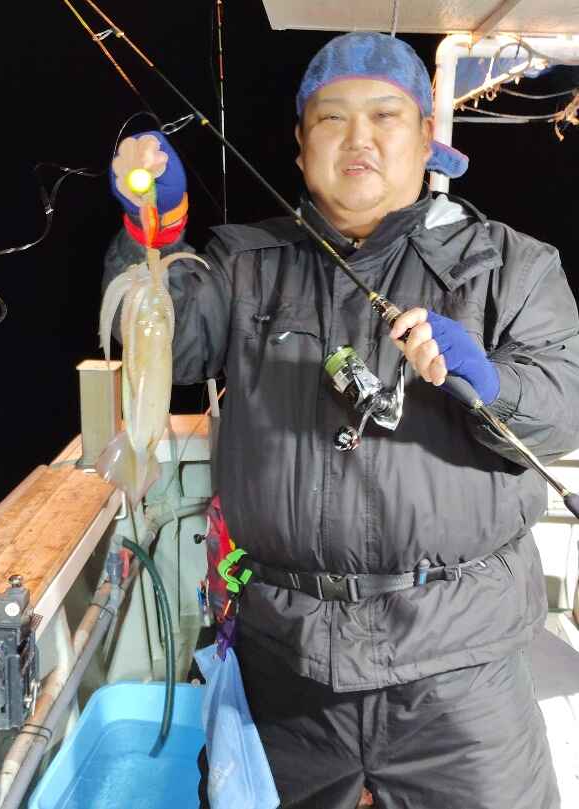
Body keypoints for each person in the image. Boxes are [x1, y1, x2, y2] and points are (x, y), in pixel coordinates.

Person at [103, 33, 579, 809]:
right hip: (284, 658)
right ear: (300, 146)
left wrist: (492, 384)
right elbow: (165, 339)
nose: (358, 138)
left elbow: (562, 408)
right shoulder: (240, 263)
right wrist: (152, 233)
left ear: (427, 138)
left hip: (461, 666)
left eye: (385, 116)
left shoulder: (510, 265)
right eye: (331, 118)